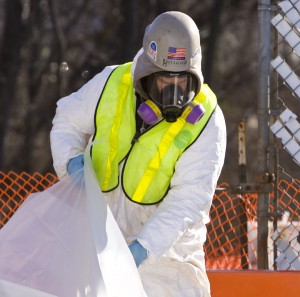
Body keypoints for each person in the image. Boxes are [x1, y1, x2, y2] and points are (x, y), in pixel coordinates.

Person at [50, 11, 226, 297]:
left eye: (182, 83)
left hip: (167, 267)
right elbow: (67, 120)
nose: (174, 94)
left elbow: (189, 201)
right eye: (165, 82)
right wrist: (71, 162)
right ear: (146, 76)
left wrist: (142, 249)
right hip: (98, 248)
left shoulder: (207, 122)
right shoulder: (111, 83)